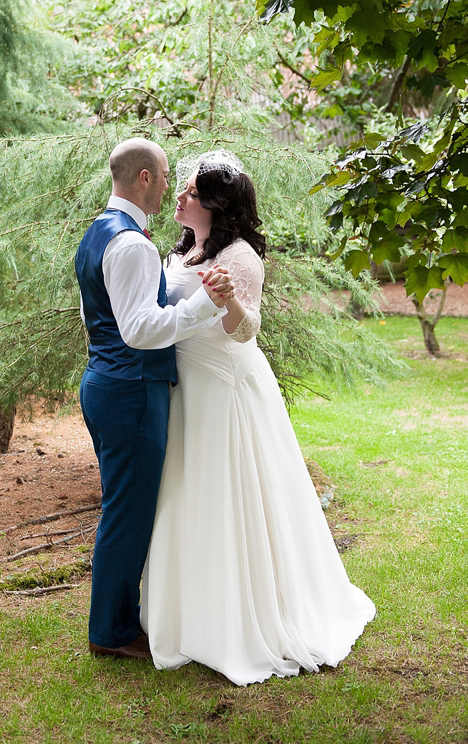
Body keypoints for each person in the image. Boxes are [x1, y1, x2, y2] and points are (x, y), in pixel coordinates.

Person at [140, 150, 376, 686]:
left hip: (224, 392)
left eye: (193, 193)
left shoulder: (242, 257)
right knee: (185, 494)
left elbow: (245, 331)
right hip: (186, 390)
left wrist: (227, 301)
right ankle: (185, 612)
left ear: (218, 206)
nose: (181, 197)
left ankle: (242, 619)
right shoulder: (182, 249)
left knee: (226, 498)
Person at [75, 138, 232, 659]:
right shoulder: (134, 245)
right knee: (127, 512)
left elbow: (95, 317)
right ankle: (113, 632)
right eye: (165, 176)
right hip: (132, 390)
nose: (169, 185)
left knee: (122, 506)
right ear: (143, 178)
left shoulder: (99, 232)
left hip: (105, 380)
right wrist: (205, 305)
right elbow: (140, 329)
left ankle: (117, 620)